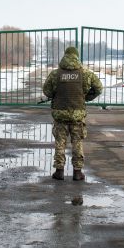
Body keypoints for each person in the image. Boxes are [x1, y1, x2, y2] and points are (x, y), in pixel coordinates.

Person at [42, 45, 103, 200]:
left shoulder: (56, 74)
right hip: (77, 114)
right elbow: (98, 88)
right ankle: (77, 172)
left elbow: (47, 91)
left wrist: (56, 94)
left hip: (60, 114)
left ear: (65, 56)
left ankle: (59, 171)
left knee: (60, 142)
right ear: (77, 57)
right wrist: (86, 97)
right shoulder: (85, 74)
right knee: (77, 142)